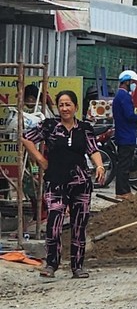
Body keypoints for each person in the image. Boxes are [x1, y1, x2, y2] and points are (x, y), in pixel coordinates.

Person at [21, 90, 105, 278]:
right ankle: (51, 264)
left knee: (79, 225)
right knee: (54, 224)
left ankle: (77, 266)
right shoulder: (49, 126)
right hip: (56, 181)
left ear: (75, 106)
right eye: (61, 105)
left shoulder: (84, 128)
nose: (65, 108)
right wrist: (41, 160)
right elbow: (26, 138)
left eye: (68, 105)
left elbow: (93, 149)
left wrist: (99, 166)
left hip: (81, 183)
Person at [112, 70, 137, 200]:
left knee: (124, 164)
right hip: (126, 135)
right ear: (127, 82)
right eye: (133, 82)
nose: (134, 85)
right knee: (124, 165)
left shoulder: (119, 96)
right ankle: (122, 191)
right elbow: (129, 115)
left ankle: (123, 190)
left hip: (123, 134)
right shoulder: (125, 97)